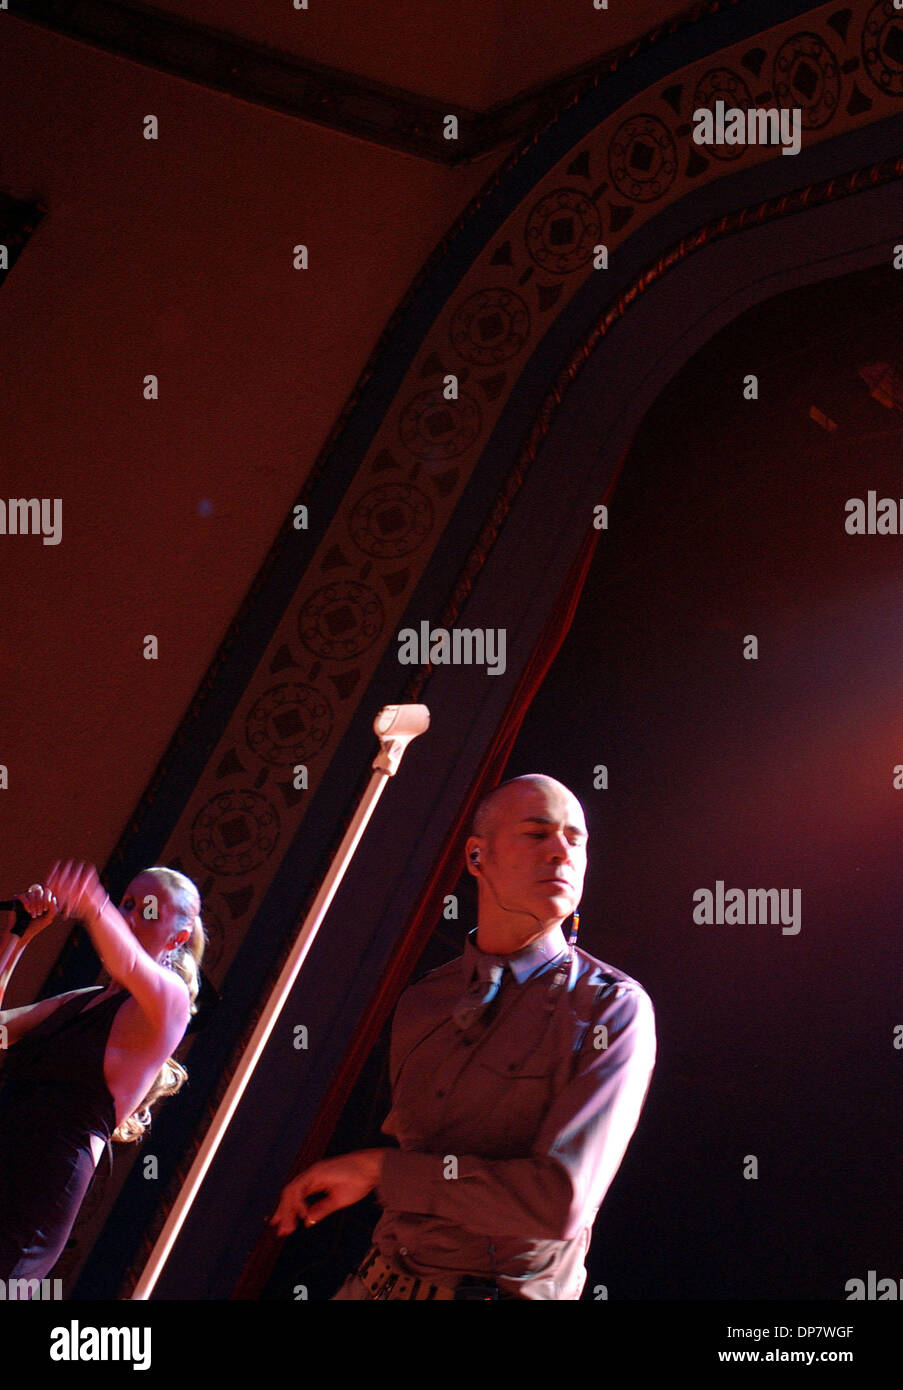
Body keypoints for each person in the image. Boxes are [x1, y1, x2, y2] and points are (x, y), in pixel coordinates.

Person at [272, 774, 656, 1300]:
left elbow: (558, 1201)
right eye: (537, 833)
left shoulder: (611, 1007)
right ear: (477, 856)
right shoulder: (425, 1000)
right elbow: (423, 1151)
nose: (561, 851)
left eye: (576, 838)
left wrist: (382, 1171)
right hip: (377, 1281)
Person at [0, 860, 205, 1284]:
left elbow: (127, 963)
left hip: (40, 1182)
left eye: (148, 910)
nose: (130, 915)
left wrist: (94, 906)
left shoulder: (171, 1001)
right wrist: (18, 936)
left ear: (178, 937)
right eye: (126, 903)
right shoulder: (82, 1000)